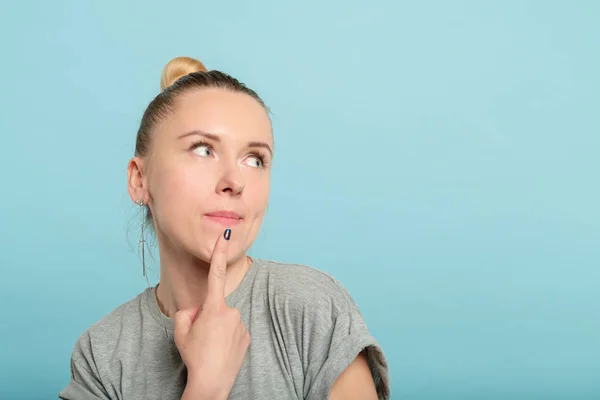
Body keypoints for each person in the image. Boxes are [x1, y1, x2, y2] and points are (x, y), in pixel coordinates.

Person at [58, 56, 390, 400]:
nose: (235, 181)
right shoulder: (100, 356)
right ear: (140, 179)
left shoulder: (313, 309)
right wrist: (206, 386)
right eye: (203, 150)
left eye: (254, 159)